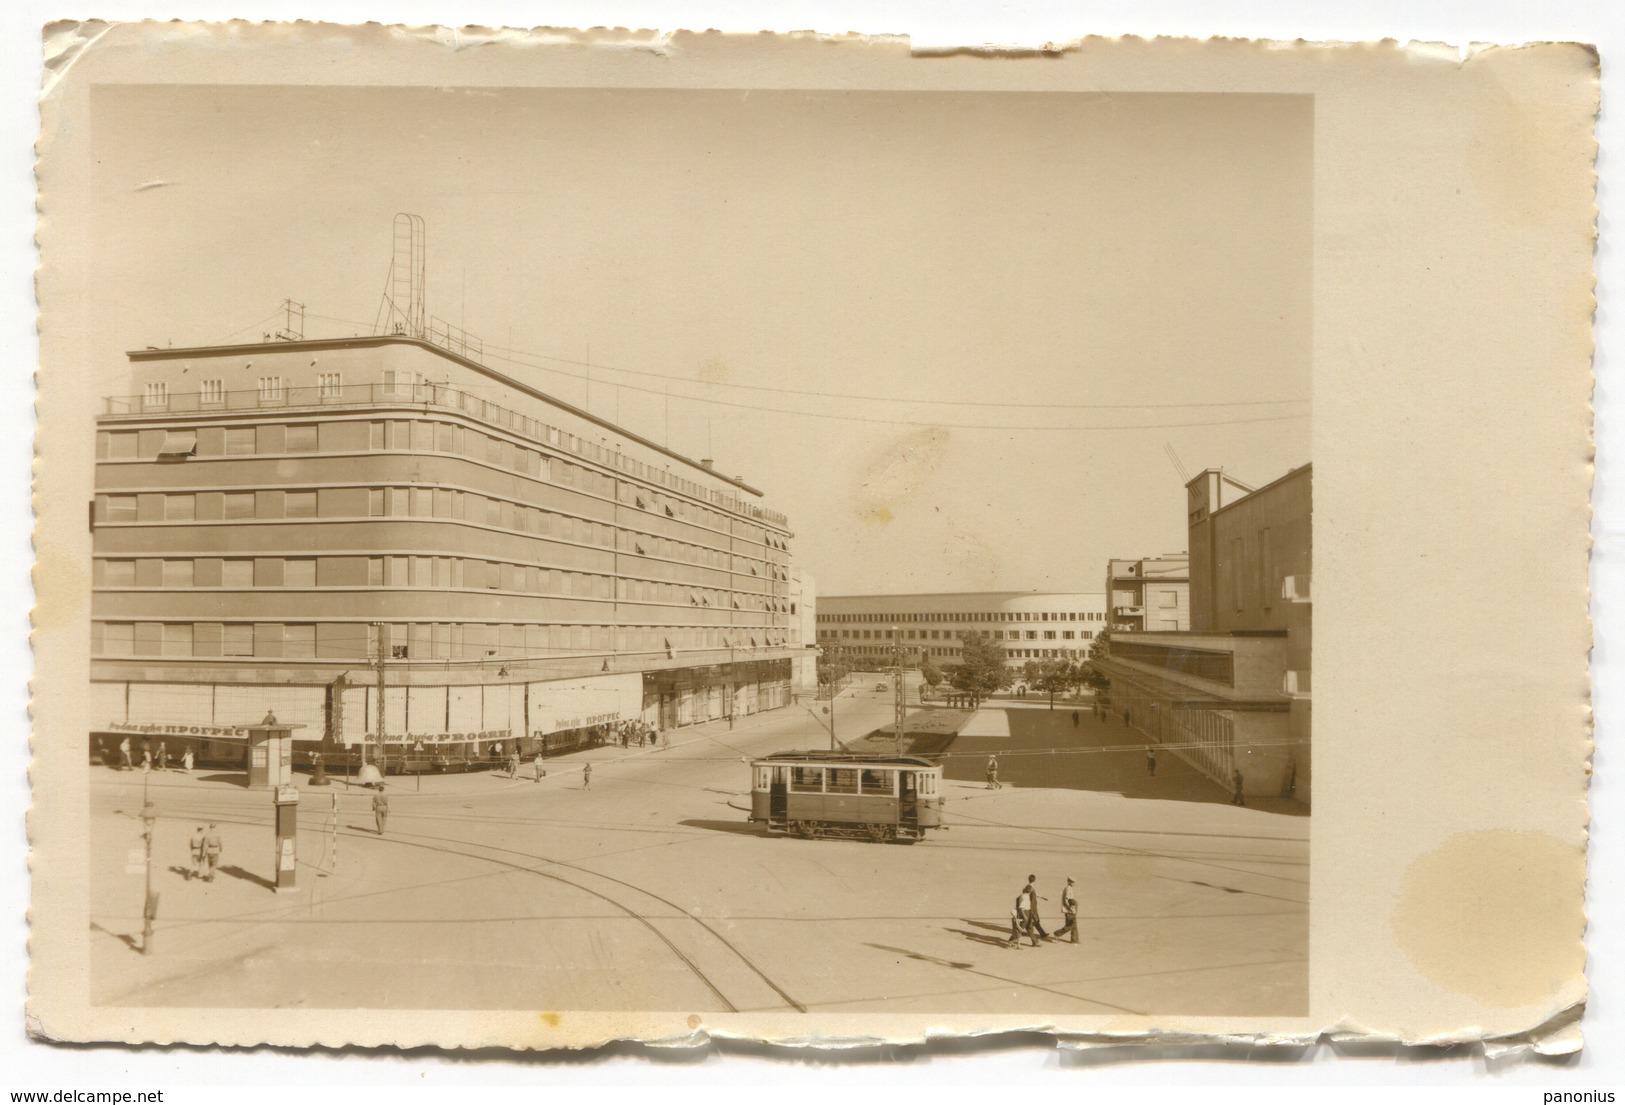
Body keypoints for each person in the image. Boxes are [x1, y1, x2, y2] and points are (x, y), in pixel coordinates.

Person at [1053, 877, 1080, 944]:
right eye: (1073, 882)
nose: (1074, 883)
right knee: (1070, 925)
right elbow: (1066, 901)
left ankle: (1074, 940)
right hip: (1069, 911)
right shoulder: (1068, 889)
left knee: (1074, 925)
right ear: (1069, 882)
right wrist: (1070, 909)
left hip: (1071, 910)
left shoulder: (1069, 888)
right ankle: (1057, 933)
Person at [1022, 874, 1049, 938]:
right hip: (1031, 907)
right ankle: (1021, 931)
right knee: (1033, 920)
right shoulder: (1029, 887)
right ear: (1034, 880)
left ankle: (1042, 933)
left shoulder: (1029, 887)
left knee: (1034, 920)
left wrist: (1042, 897)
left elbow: (1034, 894)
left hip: (1032, 907)